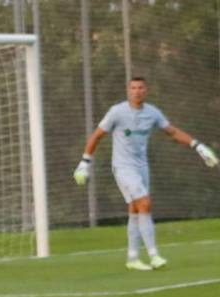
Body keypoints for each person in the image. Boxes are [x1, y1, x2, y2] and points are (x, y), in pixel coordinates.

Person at [74, 77, 217, 271]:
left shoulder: (152, 113)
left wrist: (198, 146)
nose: (137, 91)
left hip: (142, 168)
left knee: (135, 209)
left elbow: (172, 132)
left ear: (146, 90)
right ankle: (154, 255)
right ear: (128, 90)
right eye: (133, 88)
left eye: (140, 87)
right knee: (145, 203)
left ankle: (132, 258)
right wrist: (85, 162)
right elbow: (97, 135)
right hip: (123, 167)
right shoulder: (117, 112)